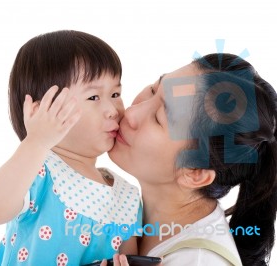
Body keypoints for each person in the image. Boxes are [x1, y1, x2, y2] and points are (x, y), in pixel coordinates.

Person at [0, 30, 142, 265]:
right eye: (94, 97)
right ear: (41, 111)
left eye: (116, 93)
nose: (113, 109)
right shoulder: (37, 170)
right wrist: (36, 140)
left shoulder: (126, 195)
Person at [106, 53, 277, 266]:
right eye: (153, 90)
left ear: (195, 173)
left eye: (159, 119)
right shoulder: (120, 205)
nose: (131, 113)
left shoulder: (197, 261)